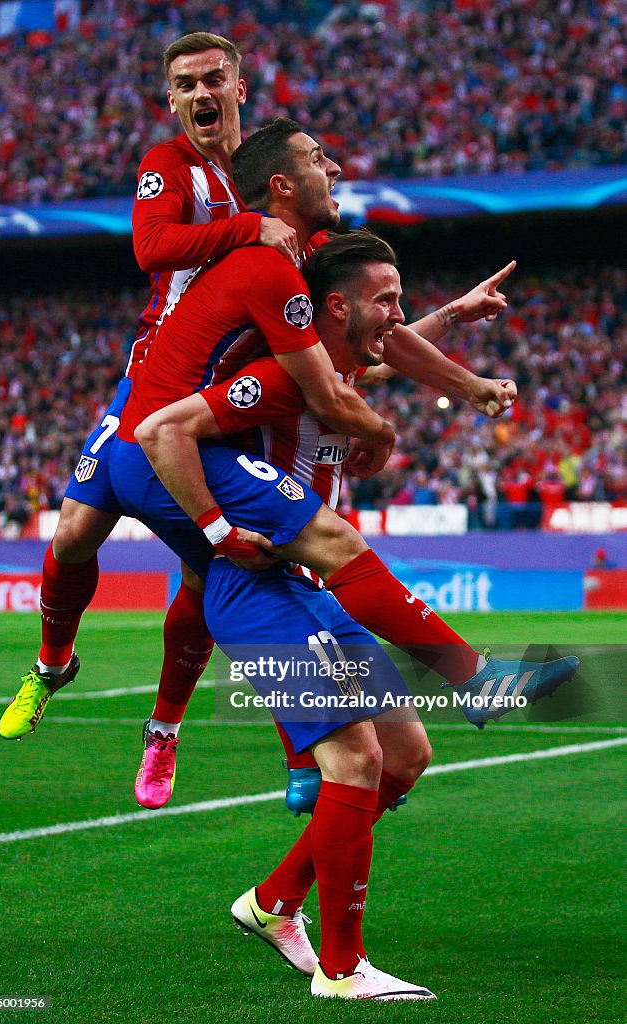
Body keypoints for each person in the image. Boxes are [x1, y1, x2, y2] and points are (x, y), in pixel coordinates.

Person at [110, 120, 577, 810]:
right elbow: (330, 386)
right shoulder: (273, 288)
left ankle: (279, 879)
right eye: (318, 159)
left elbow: (373, 346)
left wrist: (456, 341)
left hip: (195, 457)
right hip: (168, 449)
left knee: (396, 748)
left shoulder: (309, 264)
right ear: (281, 185)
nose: (337, 167)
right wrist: (382, 434)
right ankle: (463, 685)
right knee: (310, 557)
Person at [0, 32, 387, 757]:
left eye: (214, 79)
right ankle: (52, 666)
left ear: (241, 88)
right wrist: (248, 229)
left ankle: (166, 731)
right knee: (75, 531)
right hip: (159, 380)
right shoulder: (170, 167)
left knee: (218, 569)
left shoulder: (277, 169)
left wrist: (449, 353)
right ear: (172, 99)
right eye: (185, 84)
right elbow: (150, 248)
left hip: (239, 392)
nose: (201, 93)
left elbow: (355, 297)